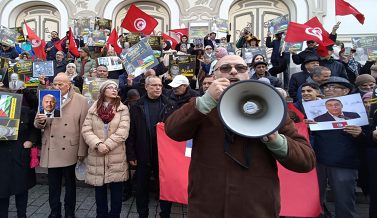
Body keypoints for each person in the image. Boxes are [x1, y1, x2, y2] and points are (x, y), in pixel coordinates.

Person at [165, 54, 316, 217]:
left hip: (256, 208)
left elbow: (306, 160)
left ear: (248, 73)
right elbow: (173, 131)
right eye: (225, 68)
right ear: (214, 75)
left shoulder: (271, 107)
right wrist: (205, 101)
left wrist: (275, 139)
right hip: (208, 206)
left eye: (240, 68)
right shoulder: (203, 106)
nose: (233, 71)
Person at [34, 73, 89, 218]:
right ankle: (55, 211)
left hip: (71, 148)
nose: (56, 87)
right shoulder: (47, 96)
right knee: (53, 184)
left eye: (60, 84)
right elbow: (38, 124)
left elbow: (84, 126)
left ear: (69, 85)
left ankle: (70, 212)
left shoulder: (81, 100)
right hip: (52, 146)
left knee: (70, 185)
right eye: (55, 84)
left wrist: (82, 150)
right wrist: (40, 120)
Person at [313, 76, 367, 218]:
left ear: (346, 91)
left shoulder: (357, 113)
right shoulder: (316, 115)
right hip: (318, 160)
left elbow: (368, 139)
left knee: (345, 203)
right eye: (325, 87)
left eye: (333, 87)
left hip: (345, 162)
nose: (327, 90)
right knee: (314, 201)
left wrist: (359, 134)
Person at [126, 75, 177, 218]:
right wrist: (131, 154)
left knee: (166, 188)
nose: (158, 88)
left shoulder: (171, 105)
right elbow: (131, 132)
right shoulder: (137, 106)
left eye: (160, 85)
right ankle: (143, 214)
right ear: (146, 87)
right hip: (143, 153)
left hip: (164, 155)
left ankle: (165, 214)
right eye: (154, 85)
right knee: (142, 188)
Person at [0, 106, 40, 218]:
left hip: (19, 155)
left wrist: (31, 140)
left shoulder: (25, 111)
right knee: (1, 190)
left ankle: (22, 215)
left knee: (21, 188)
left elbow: (34, 128)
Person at [82, 80, 130, 218]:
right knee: (99, 189)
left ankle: (115, 215)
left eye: (116, 88)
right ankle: (101, 215)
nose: (114, 90)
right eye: (111, 87)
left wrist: (107, 145)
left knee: (116, 189)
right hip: (97, 153)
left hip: (115, 154)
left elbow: (123, 131)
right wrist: (98, 144)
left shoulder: (123, 109)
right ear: (103, 91)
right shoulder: (93, 109)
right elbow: (86, 130)